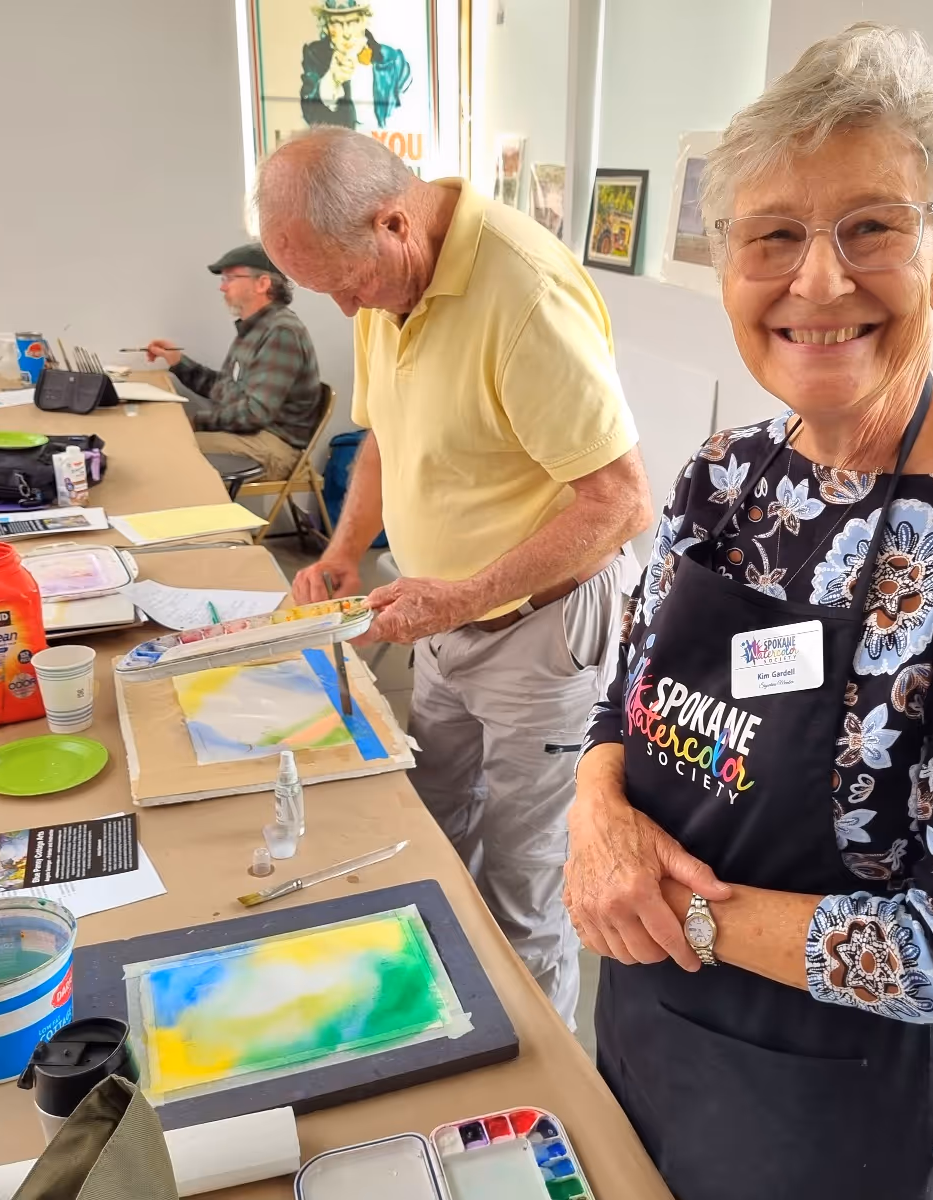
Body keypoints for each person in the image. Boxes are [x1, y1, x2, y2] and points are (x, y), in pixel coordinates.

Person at [564, 23, 933, 1200]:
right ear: (727, 266)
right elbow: (628, 698)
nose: (819, 280)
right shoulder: (725, 473)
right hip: (643, 1022)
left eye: (872, 227)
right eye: (772, 236)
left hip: (828, 1104)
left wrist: (669, 912)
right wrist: (595, 807)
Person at [257, 126, 652, 1027]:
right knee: (426, 830)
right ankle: (438, 1023)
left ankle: (527, 1084)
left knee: (523, 889)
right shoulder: (384, 285)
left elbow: (623, 502)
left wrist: (468, 594)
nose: (348, 311)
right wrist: (341, 554)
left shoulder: (524, 292)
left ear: (394, 223)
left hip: (541, 633)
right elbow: (386, 444)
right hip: (439, 620)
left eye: (347, 285)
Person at [146, 245, 323, 481]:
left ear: (262, 284)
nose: (222, 286)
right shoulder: (254, 328)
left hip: (274, 445)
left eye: (230, 278)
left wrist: (194, 422)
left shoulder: (281, 332)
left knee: (169, 448)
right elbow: (226, 389)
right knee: (166, 443)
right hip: (253, 435)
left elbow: (254, 413)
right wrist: (178, 362)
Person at [300, 0, 411, 132]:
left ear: (364, 21)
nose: (346, 33)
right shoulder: (315, 55)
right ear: (326, 27)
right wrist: (331, 80)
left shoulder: (392, 59)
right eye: (337, 23)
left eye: (352, 22)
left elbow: (409, 112)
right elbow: (310, 115)